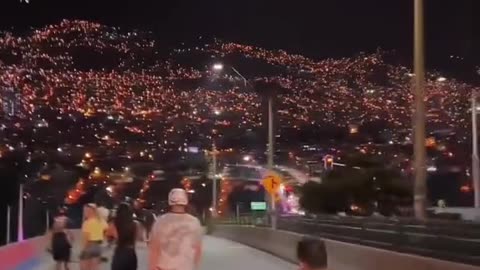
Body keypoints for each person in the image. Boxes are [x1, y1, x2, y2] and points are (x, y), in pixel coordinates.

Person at [149, 188, 203, 270]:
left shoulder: (160, 221)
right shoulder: (194, 222)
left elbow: (155, 249)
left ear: (170, 201)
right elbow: (197, 249)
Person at [109, 202, 138, 270]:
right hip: (131, 253)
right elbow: (136, 238)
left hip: (120, 251)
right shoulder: (134, 224)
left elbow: (111, 235)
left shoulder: (115, 223)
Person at [80, 203, 108, 270]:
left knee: (84, 267)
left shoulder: (87, 223)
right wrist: (102, 237)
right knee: (95, 267)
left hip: (89, 246)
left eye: (86, 211)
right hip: (98, 246)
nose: (85, 213)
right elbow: (106, 230)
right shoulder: (101, 221)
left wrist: (83, 249)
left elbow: (86, 238)